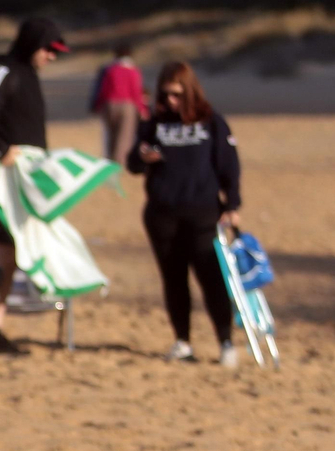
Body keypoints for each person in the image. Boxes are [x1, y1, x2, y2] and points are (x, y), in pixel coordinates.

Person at [0, 16, 68, 355]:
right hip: (2, 179)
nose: (52, 57)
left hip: (26, 178)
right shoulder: (3, 69)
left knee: (12, 255)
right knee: (2, 251)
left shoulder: (28, 76)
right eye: (49, 50)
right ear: (33, 44)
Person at [127, 61, 242, 368]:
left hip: (203, 213)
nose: (171, 102)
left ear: (190, 92)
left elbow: (228, 165)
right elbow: (132, 164)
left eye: (177, 95)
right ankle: (183, 341)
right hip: (162, 215)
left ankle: (226, 342)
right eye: (166, 96)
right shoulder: (154, 123)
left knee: (211, 278)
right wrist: (142, 156)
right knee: (173, 279)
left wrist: (232, 205)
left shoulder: (211, 121)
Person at [91, 42, 147, 163]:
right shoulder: (133, 70)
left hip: (109, 105)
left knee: (110, 135)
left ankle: (109, 161)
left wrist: (98, 105)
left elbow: (103, 89)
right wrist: (142, 109)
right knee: (124, 137)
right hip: (127, 106)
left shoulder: (110, 70)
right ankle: (119, 163)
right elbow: (136, 92)